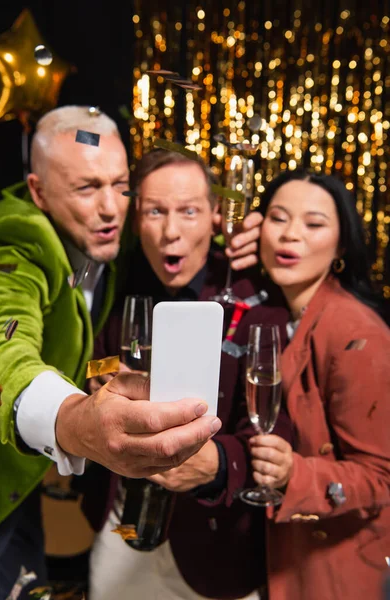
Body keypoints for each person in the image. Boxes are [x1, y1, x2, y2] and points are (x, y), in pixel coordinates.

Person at [0, 107, 230, 598]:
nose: (110, 208)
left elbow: (180, 226)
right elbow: (1, 343)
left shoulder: (116, 240)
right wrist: (76, 421)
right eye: (85, 188)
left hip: (34, 490)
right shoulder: (20, 239)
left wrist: (248, 238)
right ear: (38, 193)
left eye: (120, 186)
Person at [85, 149, 291, 600]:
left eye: (189, 211)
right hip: (124, 529)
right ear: (137, 216)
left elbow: (273, 426)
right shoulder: (119, 283)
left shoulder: (257, 297)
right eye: (156, 211)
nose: (170, 232)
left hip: (212, 552)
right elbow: (88, 360)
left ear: (217, 216)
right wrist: (102, 376)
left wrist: (216, 465)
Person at [245, 170, 390, 600]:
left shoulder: (357, 335)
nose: (291, 235)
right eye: (278, 218)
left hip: (343, 570)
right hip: (287, 558)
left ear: (341, 245)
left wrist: (296, 472)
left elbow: (382, 476)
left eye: (314, 223)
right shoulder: (278, 314)